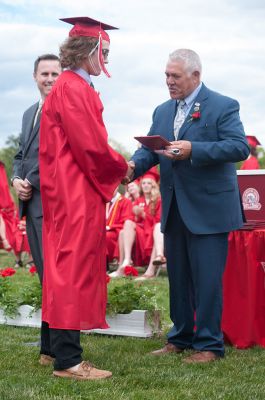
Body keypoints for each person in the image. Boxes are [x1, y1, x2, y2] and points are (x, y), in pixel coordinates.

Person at [128, 49, 249, 363]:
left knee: (207, 280)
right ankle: (179, 337)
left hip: (209, 210)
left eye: (175, 76)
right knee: (178, 277)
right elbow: (150, 151)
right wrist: (131, 166)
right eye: (167, 75)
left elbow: (238, 147)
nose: (169, 81)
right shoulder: (162, 111)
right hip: (174, 208)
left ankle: (209, 345)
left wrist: (194, 148)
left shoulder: (223, 105)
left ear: (195, 75)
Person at [39, 16, 132, 380]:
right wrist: (120, 166)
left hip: (66, 190)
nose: (106, 60)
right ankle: (69, 361)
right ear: (88, 51)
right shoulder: (73, 88)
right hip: (74, 191)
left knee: (61, 268)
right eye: (104, 52)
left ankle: (51, 349)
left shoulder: (68, 86)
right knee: (71, 271)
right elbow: (91, 146)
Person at [12, 54, 61, 282]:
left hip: (54, 202)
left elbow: (56, 155)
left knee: (55, 269)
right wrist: (16, 179)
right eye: (45, 74)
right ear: (35, 77)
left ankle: (58, 318)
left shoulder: (63, 110)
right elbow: (22, 154)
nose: (49, 79)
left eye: (55, 74)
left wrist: (30, 181)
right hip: (31, 202)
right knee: (42, 268)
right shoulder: (28, 113)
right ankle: (49, 317)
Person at [111, 168, 164, 278]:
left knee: (158, 229)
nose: (145, 185)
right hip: (142, 232)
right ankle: (125, 261)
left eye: (149, 183)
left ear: (153, 185)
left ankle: (150, 270)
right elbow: (131, 221)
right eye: (143, 183)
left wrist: (143, 215)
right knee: (125, 228)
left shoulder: (159, 200)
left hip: (153, 232)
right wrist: (135, 215)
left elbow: (159, 220)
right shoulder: (138, 201)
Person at [106, 187, 133, 268]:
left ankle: (105, 263)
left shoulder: (125, 201)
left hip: (117, 232)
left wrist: (109, 227)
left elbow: (126, 222)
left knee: (106, 236)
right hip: (104, 230)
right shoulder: (104, 201)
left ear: (117, 187)